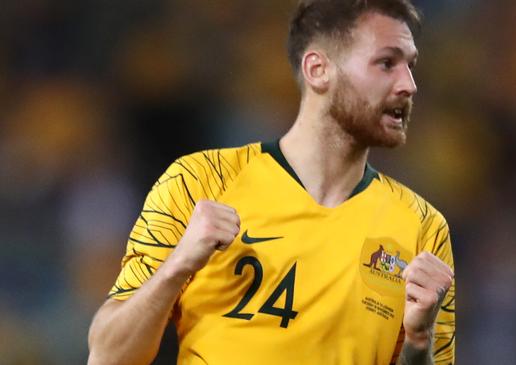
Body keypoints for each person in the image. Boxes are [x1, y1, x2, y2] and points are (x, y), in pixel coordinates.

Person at [87, 0, 455, 364]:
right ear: (318, 70)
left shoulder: (423, 229)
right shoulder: (200, 182)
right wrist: (177, 265)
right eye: (387, 63)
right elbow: (107, 356)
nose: (409, 85)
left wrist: (419, 345)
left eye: (411, 67)